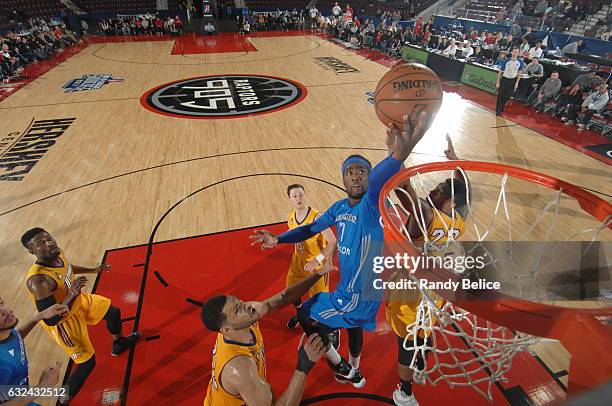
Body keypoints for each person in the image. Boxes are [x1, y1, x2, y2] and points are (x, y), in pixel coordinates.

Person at [250, 112, 432, 389]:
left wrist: (396, 156)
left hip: (359, 293)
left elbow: (384, 175)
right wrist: (278, 239)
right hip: (351, 287)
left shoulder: (372, 204)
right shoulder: (338, 208)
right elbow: (309, 229)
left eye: (362, 171)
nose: (356, 176)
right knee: (353, 327)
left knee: (305, 313)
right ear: (343, 178)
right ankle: (354, 369)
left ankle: (341, 364)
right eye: (350, 172)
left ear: (370, 178)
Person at [388, 136, 469, 406]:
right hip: (435, 291)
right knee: (424, 330)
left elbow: (403, 189)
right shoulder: (459, 218)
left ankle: (406, 393)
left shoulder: (427, 214)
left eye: (442, 189)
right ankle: (421, 369)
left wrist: (398, 155)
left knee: (405, 343)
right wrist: (455, 161)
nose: (436, 187)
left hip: (411, 289)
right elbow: (466, 188)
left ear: (450, 202)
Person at [22, 228, 141, 405]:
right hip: (64, 323)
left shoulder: (57, 253)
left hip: (78, 302)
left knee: (113, 312)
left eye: (48, 238)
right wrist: (72, 294)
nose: (49, 243)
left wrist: (93, 270)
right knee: (87, 364)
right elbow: (51, 318)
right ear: (32, 252)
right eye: (41, 243)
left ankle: (118, 343)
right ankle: (62, 401)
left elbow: (68, 269)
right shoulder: (39, 281)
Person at [201, 264, 330, 405]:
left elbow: (284, 297)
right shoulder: (240, 369)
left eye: (239, 301)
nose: (247, 305)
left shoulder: (244, 320)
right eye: (237, 310)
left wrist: (318, 274)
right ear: (226, 330)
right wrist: (303, 366)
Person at [284, 184, 337, 330]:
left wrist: (317, 260)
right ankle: (302, 313)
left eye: (301, 194)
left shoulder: (316, 217)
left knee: (321, 302)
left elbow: (332, 241)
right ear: (289, 199)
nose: (298, 198)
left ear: (305, 195)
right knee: (290, 291)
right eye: (294, 196)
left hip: (317, 265)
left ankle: (331, 330)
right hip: (298, 262)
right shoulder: (290, 217)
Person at [0, 297, 67, 405]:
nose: (4, 311)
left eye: (1, 303)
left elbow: (17, 337)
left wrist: (40, 316)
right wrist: (42, 387)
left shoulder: (6, 332)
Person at [495, 48, 524, 116]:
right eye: (513, 52)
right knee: (500, 95)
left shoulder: (520, 62)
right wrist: (498, 82)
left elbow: (519, 73)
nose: (514, 53)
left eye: (516, 52)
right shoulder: (507, 61)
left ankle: (502, 107)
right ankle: (498, 111)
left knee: (507, 96)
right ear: (511, 52)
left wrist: (517, 82)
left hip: (512, 80)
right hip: (504, 79)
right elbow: (500, 71)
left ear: (518, 53)